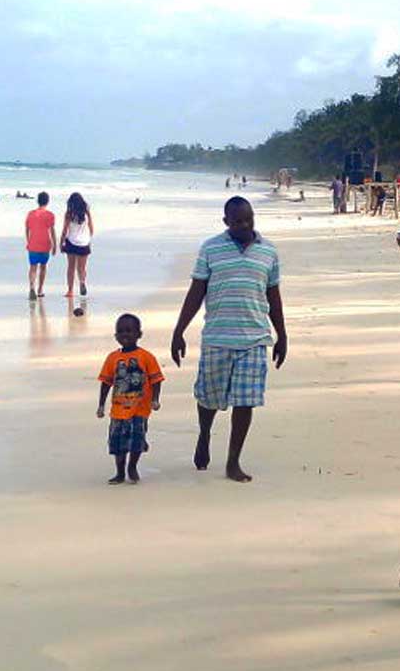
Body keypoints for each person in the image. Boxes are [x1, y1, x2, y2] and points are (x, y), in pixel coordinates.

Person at [170, 197, 287, 483]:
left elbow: (273, 296)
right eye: (238, 221)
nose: (245, 225)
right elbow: (196, 292)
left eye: (249, 219)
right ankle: (205, 434)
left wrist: (282, 335)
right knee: (208, 398)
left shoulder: (268, 251)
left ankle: (233, 461)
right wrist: (178, 331)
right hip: (217, 337)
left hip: (255, 338)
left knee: (245, 401)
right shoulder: (211, 248)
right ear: (226, 222)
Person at [97, 313, 163, 485]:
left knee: (136, 441)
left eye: (129, 331)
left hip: (140, 410)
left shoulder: (147, 357)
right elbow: (106, 382)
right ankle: (119, 472)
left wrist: (155, 399)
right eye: (120, 331)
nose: (125, 335)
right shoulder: (112, 358)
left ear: (139, 334)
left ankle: (132, 466)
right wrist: (101, 405)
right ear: (115, 336)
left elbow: (156, 380)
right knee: (117, 443)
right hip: (118, 411)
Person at [25, 191, 57, 300]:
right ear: (47, 201)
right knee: (43, 267)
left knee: (33, 268)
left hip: (33, 244)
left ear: (37, 201)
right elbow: (52, 231)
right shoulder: (50, 215)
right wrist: (55, 245)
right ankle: (40, 289)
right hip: (45, 244)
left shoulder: (30, 214)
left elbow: (27, 229)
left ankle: (32, 287)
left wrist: (28, 240)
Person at [61, 192, 94, 297]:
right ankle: (82, 282)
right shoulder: (86, 213)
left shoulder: (69, 214)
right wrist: (88, 238)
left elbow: (65, 230)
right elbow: (91, 227)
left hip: (71, 242)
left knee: (71, 267)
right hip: (84, 243)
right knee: (82, 268)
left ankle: (70, 291)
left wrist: (61, 242)